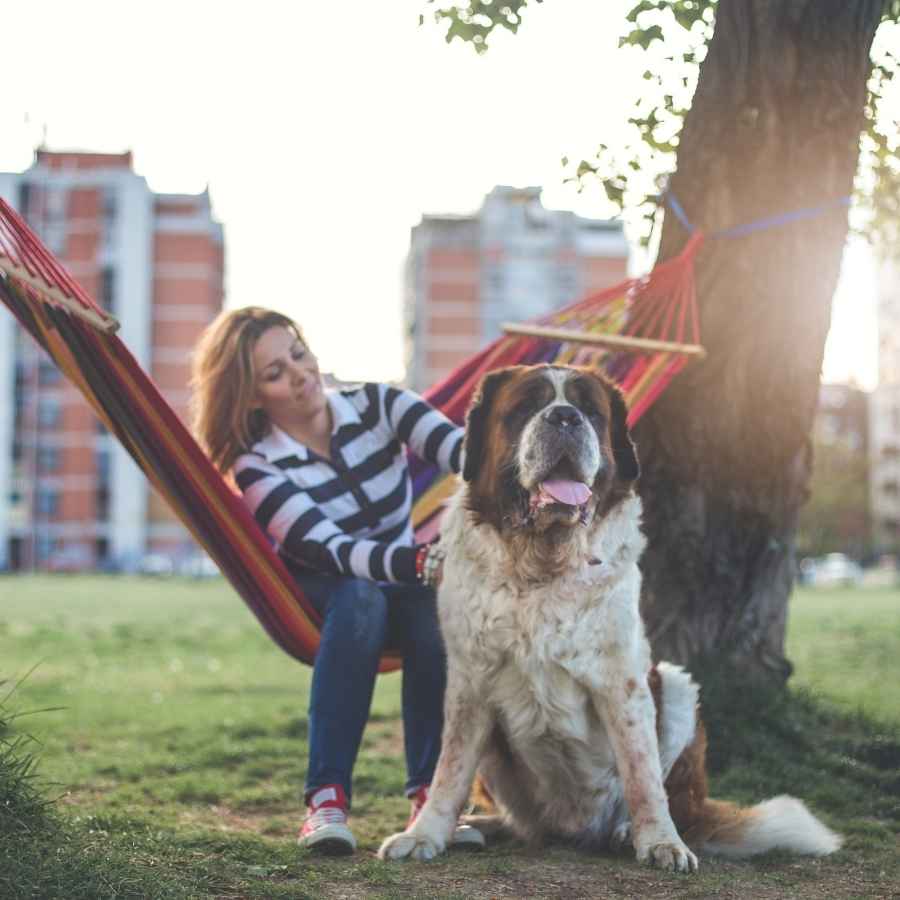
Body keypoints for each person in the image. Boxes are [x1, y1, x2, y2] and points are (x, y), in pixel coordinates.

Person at [190, 306, 483, 855]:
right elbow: (330, 549)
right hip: (322, 591)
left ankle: (432, 797)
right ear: (252, 397)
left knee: (428, 609)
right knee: (360, 597)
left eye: (298, 354)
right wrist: (420, 563)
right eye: (275, 373)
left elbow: (462, 452)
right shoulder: (258, 467)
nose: (300, 374)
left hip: (401, 577)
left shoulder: (379, 403)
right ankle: (326, 800)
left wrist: (517, 455)